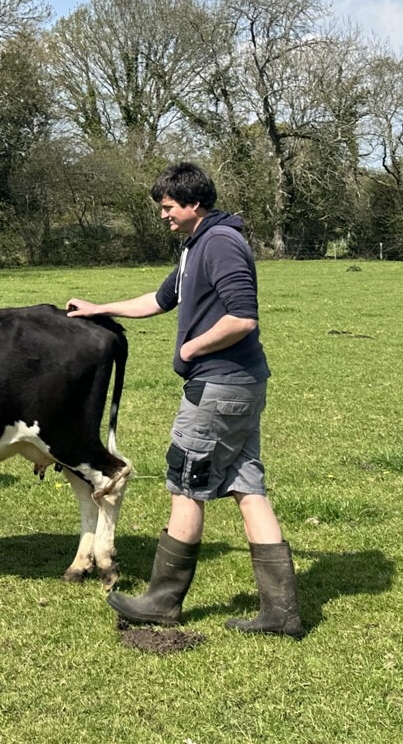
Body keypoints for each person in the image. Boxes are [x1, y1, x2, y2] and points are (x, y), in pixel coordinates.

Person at [67, 161, 304, 640]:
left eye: (169, 207)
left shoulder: (220, 244)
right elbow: (159, 300)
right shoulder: (197, 245)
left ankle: (161, 601)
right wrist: (102, 308)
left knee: (185, 483)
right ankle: (281, 612)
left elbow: (242, 318)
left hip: (219, 386)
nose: (163, 215)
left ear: (193, 204)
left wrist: (191, 347)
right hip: (237, 385)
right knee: (247, 486)